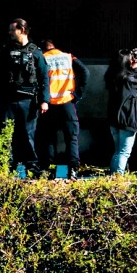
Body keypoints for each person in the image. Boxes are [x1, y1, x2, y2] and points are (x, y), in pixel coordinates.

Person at [0, 19, 50, 176]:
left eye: (12, 30)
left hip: (28, 100)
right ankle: (7, 166)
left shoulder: (36, 52)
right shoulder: (6, 51)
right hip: (8, 99)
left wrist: (44, 100)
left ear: (22, 30)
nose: (10, 33)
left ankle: (32, 167)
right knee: (6, 134)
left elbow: (44, 77)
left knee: (28, 135)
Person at [35, 40, 88, 179]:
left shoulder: (42, 58)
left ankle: (47, 170)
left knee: (47, 138)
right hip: (67, 102)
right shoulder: (68, 57)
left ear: (43, 49)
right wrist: (77, 94)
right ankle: (73, 171)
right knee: (71, 138)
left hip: (48, 104)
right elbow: (85, 72)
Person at [104, 48, 137, 175]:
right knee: (124, 152)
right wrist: (135, 69)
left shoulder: (112, 77)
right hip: (127, 118)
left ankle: (113, 176)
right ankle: (118, 176)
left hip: (114, 118)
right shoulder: (128, 80)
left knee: (118, 151)